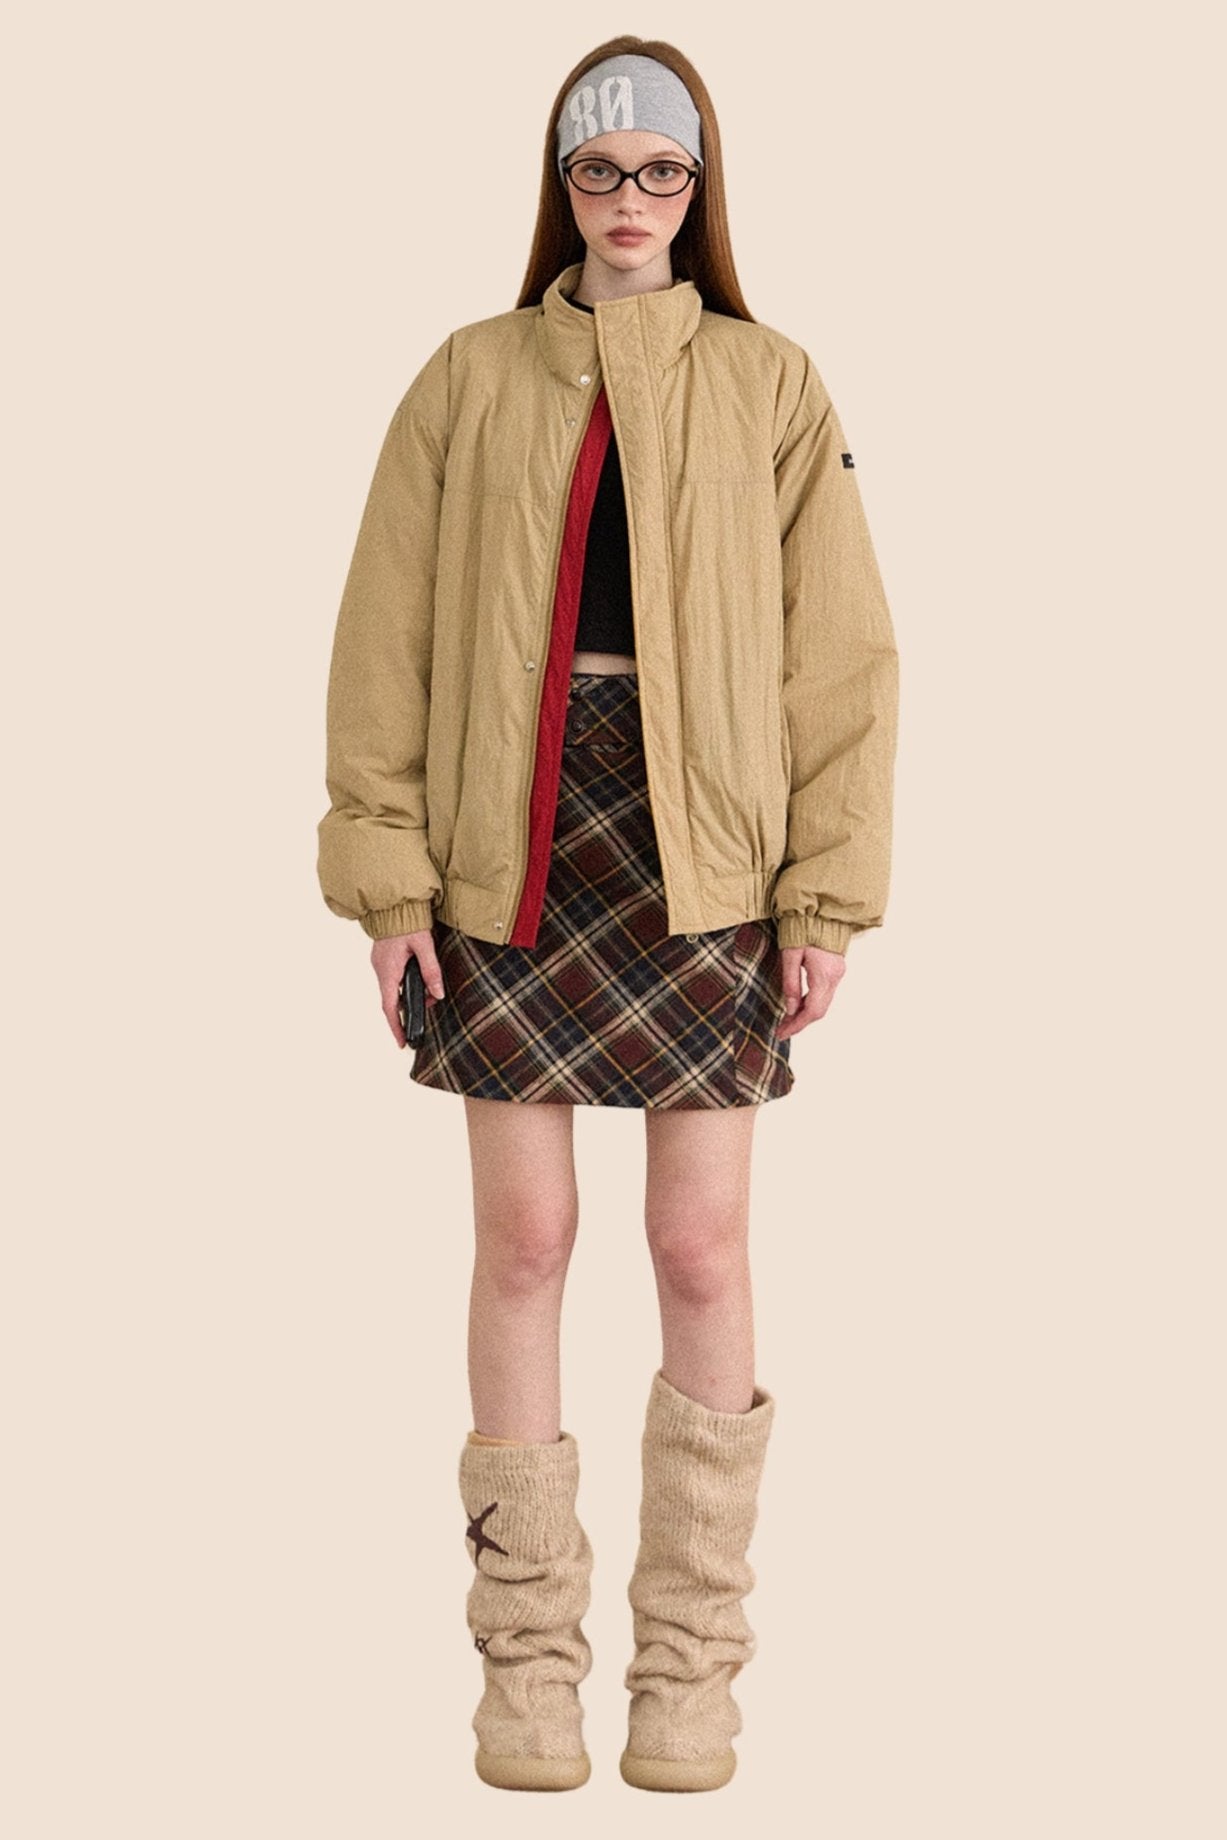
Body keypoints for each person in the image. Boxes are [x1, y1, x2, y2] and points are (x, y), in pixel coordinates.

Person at [316, 36, 898, 1795]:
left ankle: (691, 1673)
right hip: (508, 840)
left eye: (660, 170)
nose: (630, 198)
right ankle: (526, 1671)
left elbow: (842, 656)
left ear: (698, 186)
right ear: (559, 187)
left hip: (704, 847)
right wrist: (387, 871)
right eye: (599, 170)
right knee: (527, 1240)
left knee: (700, 1248)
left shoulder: (772, 382)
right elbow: (383, 639)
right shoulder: (468, 376)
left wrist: (826, 890)